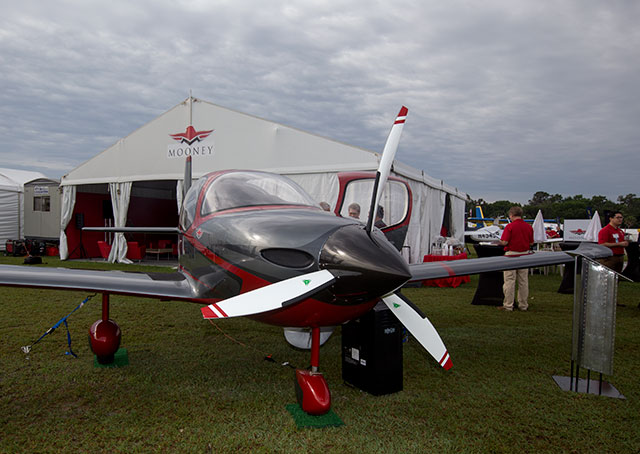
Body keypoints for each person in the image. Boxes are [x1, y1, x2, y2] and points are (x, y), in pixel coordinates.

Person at [498, 206, 534, 312]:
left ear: (511, 215)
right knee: (523, 281)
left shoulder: (510, 227)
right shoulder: (528, 227)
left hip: (511, 254)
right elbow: (531, 242)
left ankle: (508, 305)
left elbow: (504, 242)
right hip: (525, 254)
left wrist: (499, 242)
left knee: (509, 280)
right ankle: (523, 304)